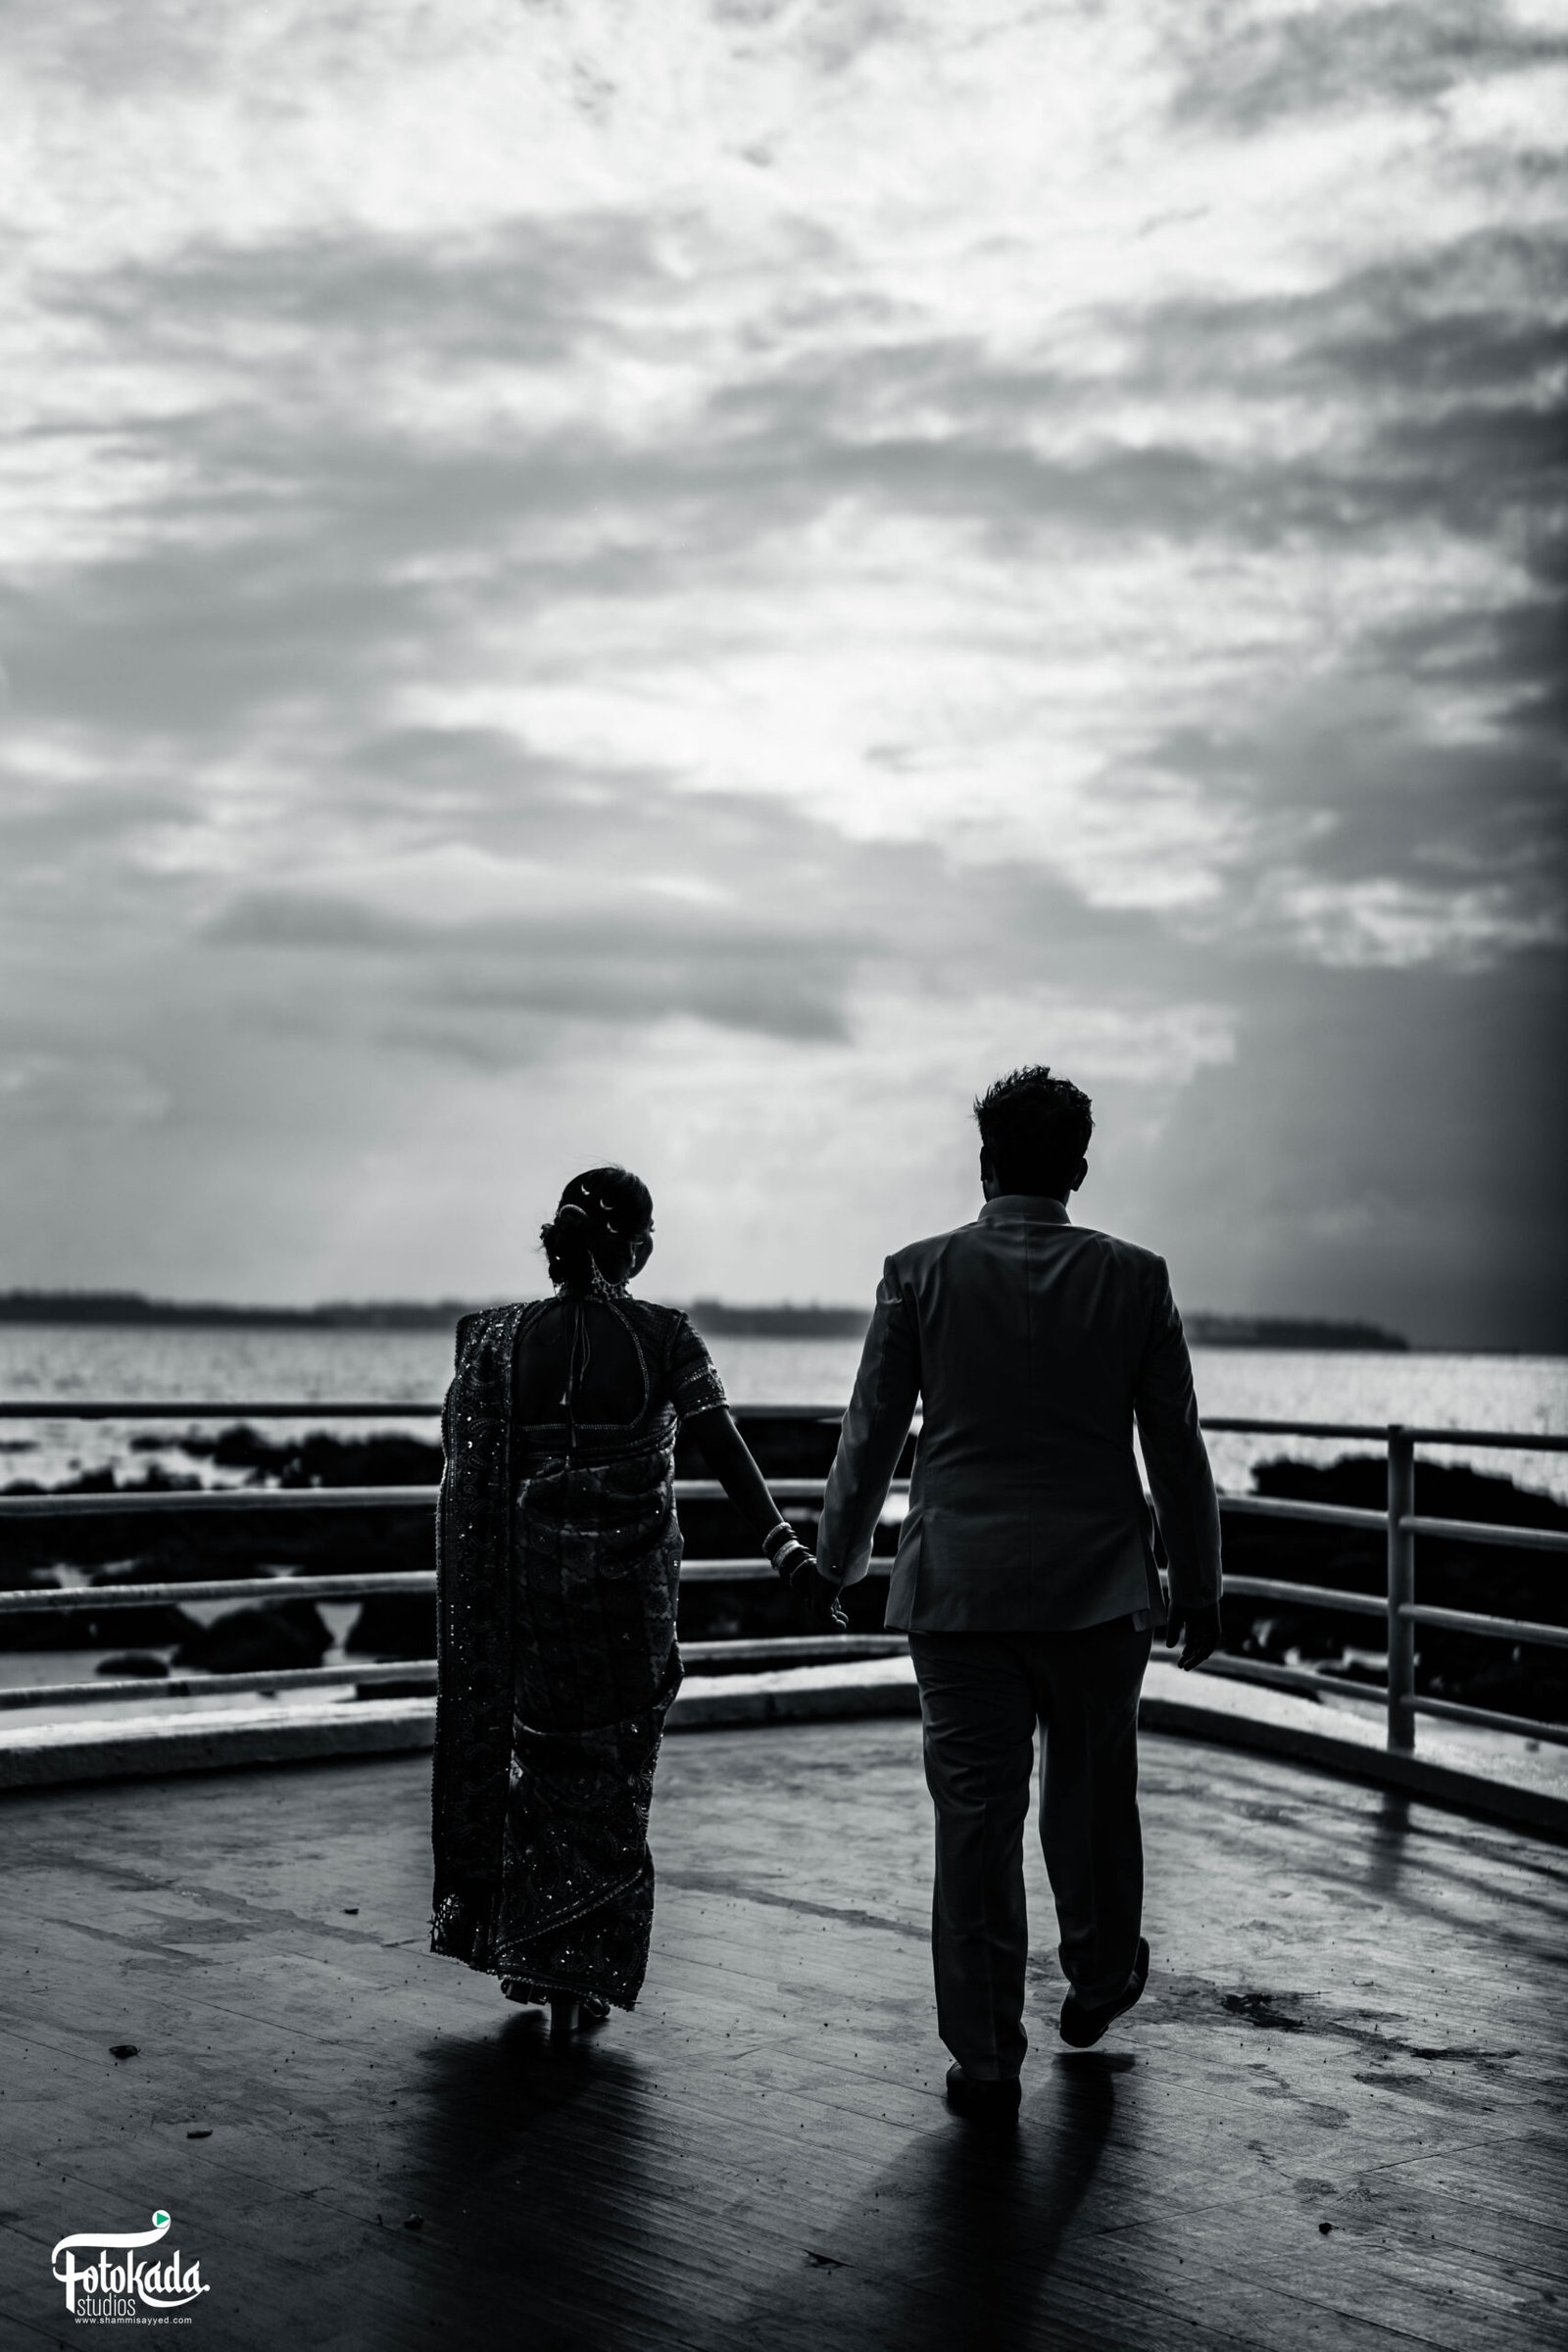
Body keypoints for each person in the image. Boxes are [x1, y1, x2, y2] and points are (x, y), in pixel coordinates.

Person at [814, 1068, 1223, 2120]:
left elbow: (869, 1436)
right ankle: (1099, 1976)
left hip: (958, 1592)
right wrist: (1199, 1585)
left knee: (975, 1823)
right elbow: (1175, 1448)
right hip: (1099, 1591)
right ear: (1078, 1167)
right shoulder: (1136, 1278)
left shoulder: (918, 1273)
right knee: (1091, 1801)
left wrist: (841, 1559)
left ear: (985, 1161)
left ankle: (987, 2059)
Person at [430, 1164, 838, 2034]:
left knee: (542, 1772)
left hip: (533, 1597)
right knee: (612, 1784)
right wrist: (787, 1549)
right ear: (638, 1247)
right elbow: (724, 1446)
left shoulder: (500, 1341)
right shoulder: (664, 1335)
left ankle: (541, 1964)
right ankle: (581, 1978)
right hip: (627, 1611)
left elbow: (474, 1480)